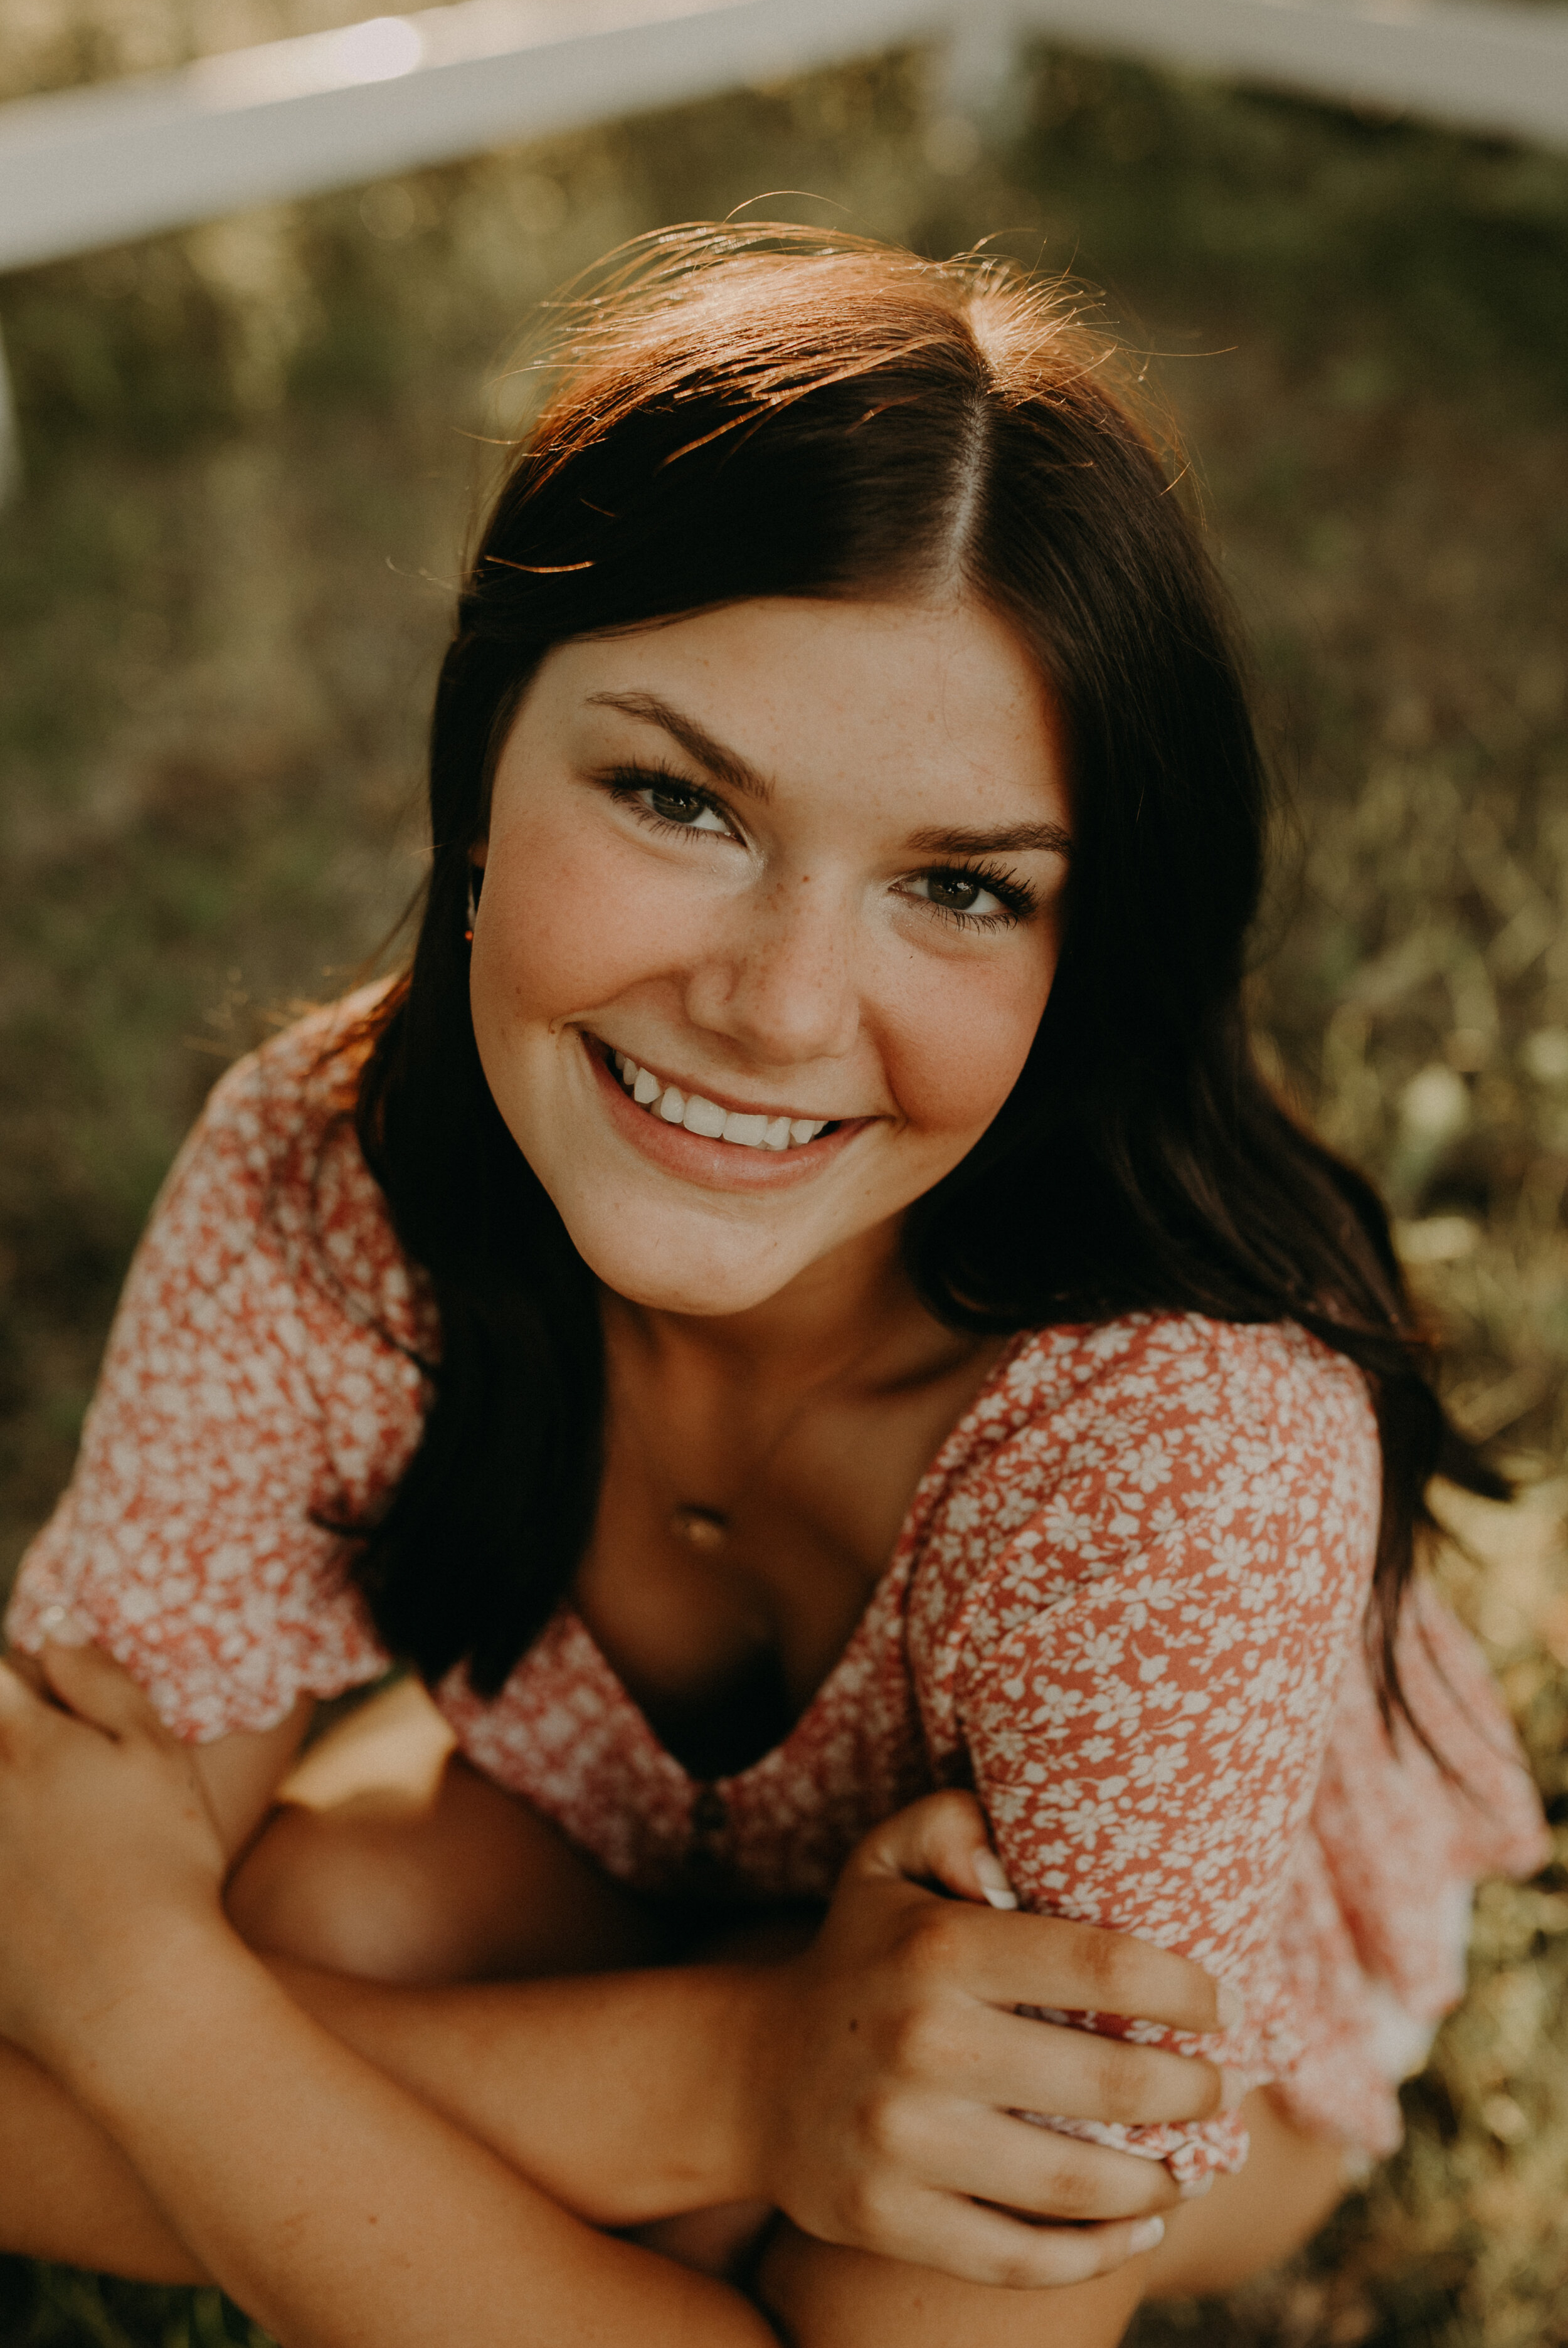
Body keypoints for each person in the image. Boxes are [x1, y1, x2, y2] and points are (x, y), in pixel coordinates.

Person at [0, 226, 1547, 2348]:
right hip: (626, 1871)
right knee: (327, 1900)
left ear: (1076, 951)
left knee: (809, 2217)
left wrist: (147, 2016)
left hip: (1179, 2085)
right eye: (674, 798)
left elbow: (53, 1967)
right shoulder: (326, 1169)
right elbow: (35, 1877)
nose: (780, 1006)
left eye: (957, 887)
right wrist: (729, 2078)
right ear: (474, 779)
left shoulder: (1178, 1455)